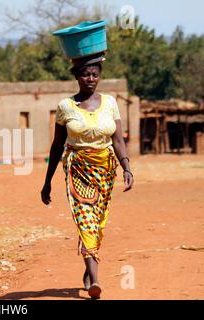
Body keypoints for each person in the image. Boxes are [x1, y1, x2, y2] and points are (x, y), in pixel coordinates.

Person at [40, 52, 134, 299]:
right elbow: (56, 145)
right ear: (77, 77)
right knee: (86, 220)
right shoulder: (65, 107)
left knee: (97, 223)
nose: (90, 78)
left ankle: (87, 263)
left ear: (100, 76)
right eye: (85, 74)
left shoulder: (111, 103)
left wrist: (126, 167)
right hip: (76, 169)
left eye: (94, 74)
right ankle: (95, 280)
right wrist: (47, 181)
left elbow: (117, 139)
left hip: (105, 171)